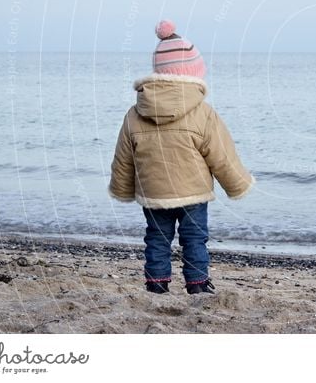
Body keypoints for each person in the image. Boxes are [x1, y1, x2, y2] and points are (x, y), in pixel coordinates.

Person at [109, 19, 254, 294]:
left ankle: (157, 284)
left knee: (156, 238)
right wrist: (237, 184)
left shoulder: (135, 112)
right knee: (194, 238)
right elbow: (222, 155)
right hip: (193, 192)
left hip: (154, 192)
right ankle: (198, 284)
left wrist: (121, 189)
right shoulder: (203, 112)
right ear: (193, 73)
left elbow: (124, 157)